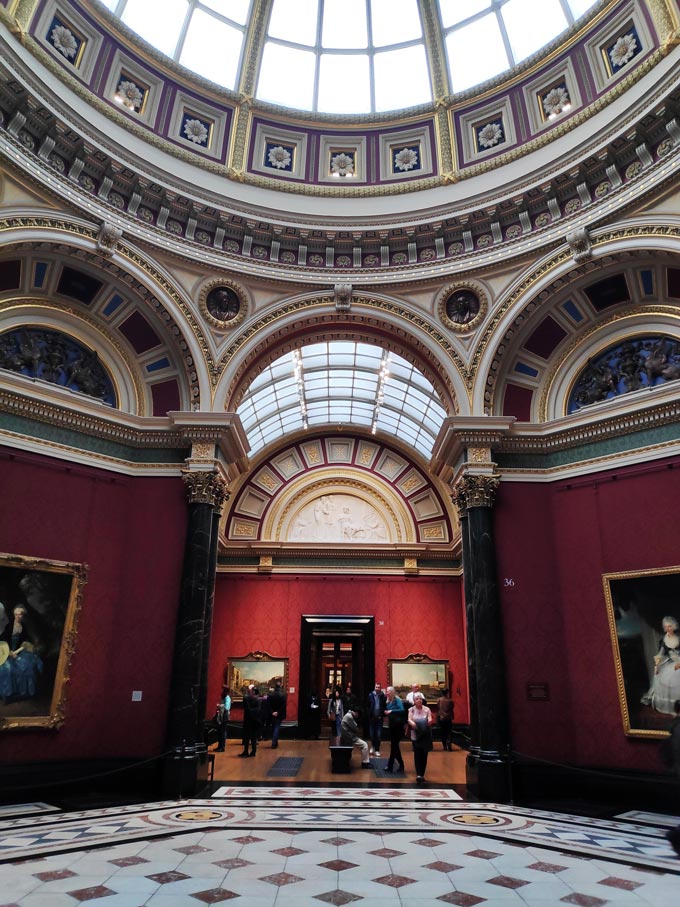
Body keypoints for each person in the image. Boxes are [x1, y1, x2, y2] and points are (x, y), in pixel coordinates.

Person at [642, 616, 680, 715]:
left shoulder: (679, 637)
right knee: (665, 678)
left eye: (670, 626)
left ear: (674, 626)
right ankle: (673, 708)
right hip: (672, 663)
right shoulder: (664, 640)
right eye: (666, 627)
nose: (668, 629)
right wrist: (657, 662)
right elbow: (661, 653)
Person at [408, 691, 434, 782]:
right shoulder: (411, 709)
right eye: (417, 699)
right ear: (414, 701)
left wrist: (428, 722)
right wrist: (413, 724)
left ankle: (422, 773)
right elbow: (409, 719)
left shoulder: (427, 709)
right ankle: (418, 774)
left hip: (425, 733)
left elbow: (430, 718)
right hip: (416, 734)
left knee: (424, 754)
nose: (419, 700)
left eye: (420, 699)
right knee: (417, 753)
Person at [384, 685, 405, 773]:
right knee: (394, 746)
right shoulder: (387, 701)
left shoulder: (397, 699)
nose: (386, 692)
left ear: (392, 692)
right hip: (392, 725)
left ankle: (390, 765)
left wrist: (391, 711)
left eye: (388, 691)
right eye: (386, 691)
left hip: (398, 726)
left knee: (394, 746)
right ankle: (401, 765)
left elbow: (402, 709)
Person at [239, 684, 262, 757]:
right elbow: (258, 710)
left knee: (247, 737)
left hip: (248, 719)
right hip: (255, 720)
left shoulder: (246, 698)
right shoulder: (258, 700)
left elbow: (245, 708)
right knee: (253, 737)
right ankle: (253, 751)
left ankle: (246, 751)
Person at [367, 682, 386, 756]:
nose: (377, 688)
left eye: (379, 687)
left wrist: (382, 714)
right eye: (376, 687)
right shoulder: (370, 695)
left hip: (379, 718)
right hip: (372, 718)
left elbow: (384, 706)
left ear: (380, 688)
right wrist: (369, 714)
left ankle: (377, 749)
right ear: (374, 687)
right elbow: (367, 706)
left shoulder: (383, 696)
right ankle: (373, 747)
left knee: (378, 735)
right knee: (372, 734)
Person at [268, 682, 286, 748]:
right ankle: (274, 743)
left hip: (272, 714)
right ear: (280, 686)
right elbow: (283, 705)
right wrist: (278, 712)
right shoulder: (283, 695)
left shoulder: (271, 694)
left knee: (273, 727)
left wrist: (272, 712)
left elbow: (268, 704)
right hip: (279, 714)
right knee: (276, 727)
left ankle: (275, 743)